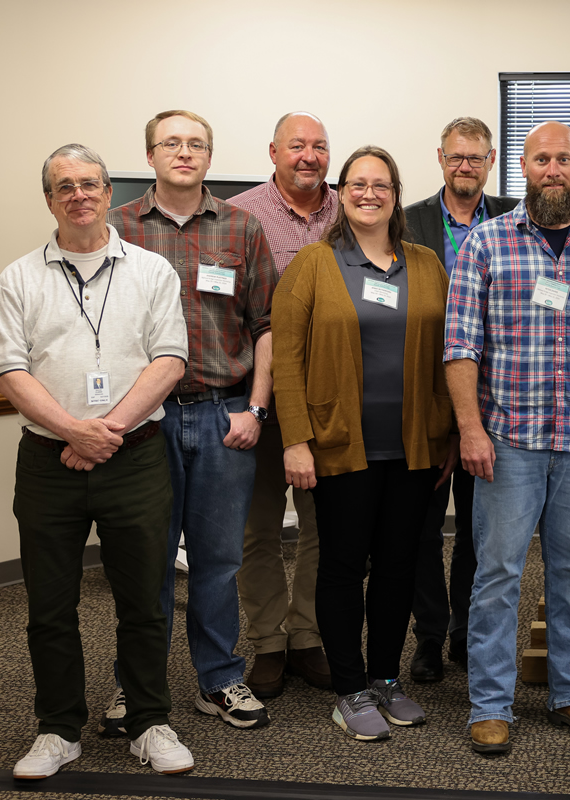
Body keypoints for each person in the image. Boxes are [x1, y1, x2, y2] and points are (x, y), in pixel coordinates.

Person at [445, 121, 570, 755]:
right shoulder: (486, 243)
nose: (553, 169)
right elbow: (460, 347)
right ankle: (490, 704)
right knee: (497, 575)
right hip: (508, 441)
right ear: (524, 168)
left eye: (563, 158)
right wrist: (470, 429)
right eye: (541, 159)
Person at [0, 144, 194, 777]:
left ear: (108, 193)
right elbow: (9, 369)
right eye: (64, 186)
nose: (78, 194)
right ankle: (58, 730)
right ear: (49, 199)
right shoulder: (18, 278)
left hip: (135, 460)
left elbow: (170, 359)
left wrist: (105, 432)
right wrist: (73, 432)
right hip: (47, 464)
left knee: (145, 601)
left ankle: (149, 722)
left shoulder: (152, 271)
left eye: (89, 183)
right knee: (50, 607)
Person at [272, 145, 457, 742]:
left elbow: (453, 353)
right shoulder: (313, 264)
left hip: (415, 447)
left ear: (396, 195)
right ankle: (349, 688)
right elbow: (286, 360)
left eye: (381, 184)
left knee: (400, 567)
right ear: (341, 193)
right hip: (338, 447)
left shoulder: (426, 264)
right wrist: (296, 441)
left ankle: (385, 679)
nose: (369, 193)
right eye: (357, 183)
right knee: (343, 566)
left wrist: (453, 432)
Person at [107, 110, 277, 731]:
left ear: (209, 155)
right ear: (150, 155)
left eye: (196, 144)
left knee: (219, 559)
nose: (184, 152)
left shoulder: (241, 227)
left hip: (223, 418)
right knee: (145, 561)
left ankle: (220, 679)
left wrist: (255, 409)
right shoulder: (116, 227)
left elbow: (267, 325)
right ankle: (137, 686)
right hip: (144, 422)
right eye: (171, 143)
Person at [402, 116, 518, 683]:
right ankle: (428, 634)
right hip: (425, 395)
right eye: (456, 156)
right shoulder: (409, 222)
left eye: (475, 156)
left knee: (481, 530)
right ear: (440, 158)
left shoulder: (517, 218)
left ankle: (466, 632)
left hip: (492, 400)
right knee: (422, 529)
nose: (465, 165)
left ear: (491, 160)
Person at [227, 112, 337, 697]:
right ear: (273, 151)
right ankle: (268, 640)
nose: (309, 156)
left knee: (324, 528)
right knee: (260, 528)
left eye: (319, 146)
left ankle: (307, 635)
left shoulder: (350, 211)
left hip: (331, 400)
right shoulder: (239, 215)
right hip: (262, 396)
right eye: (297, 145)